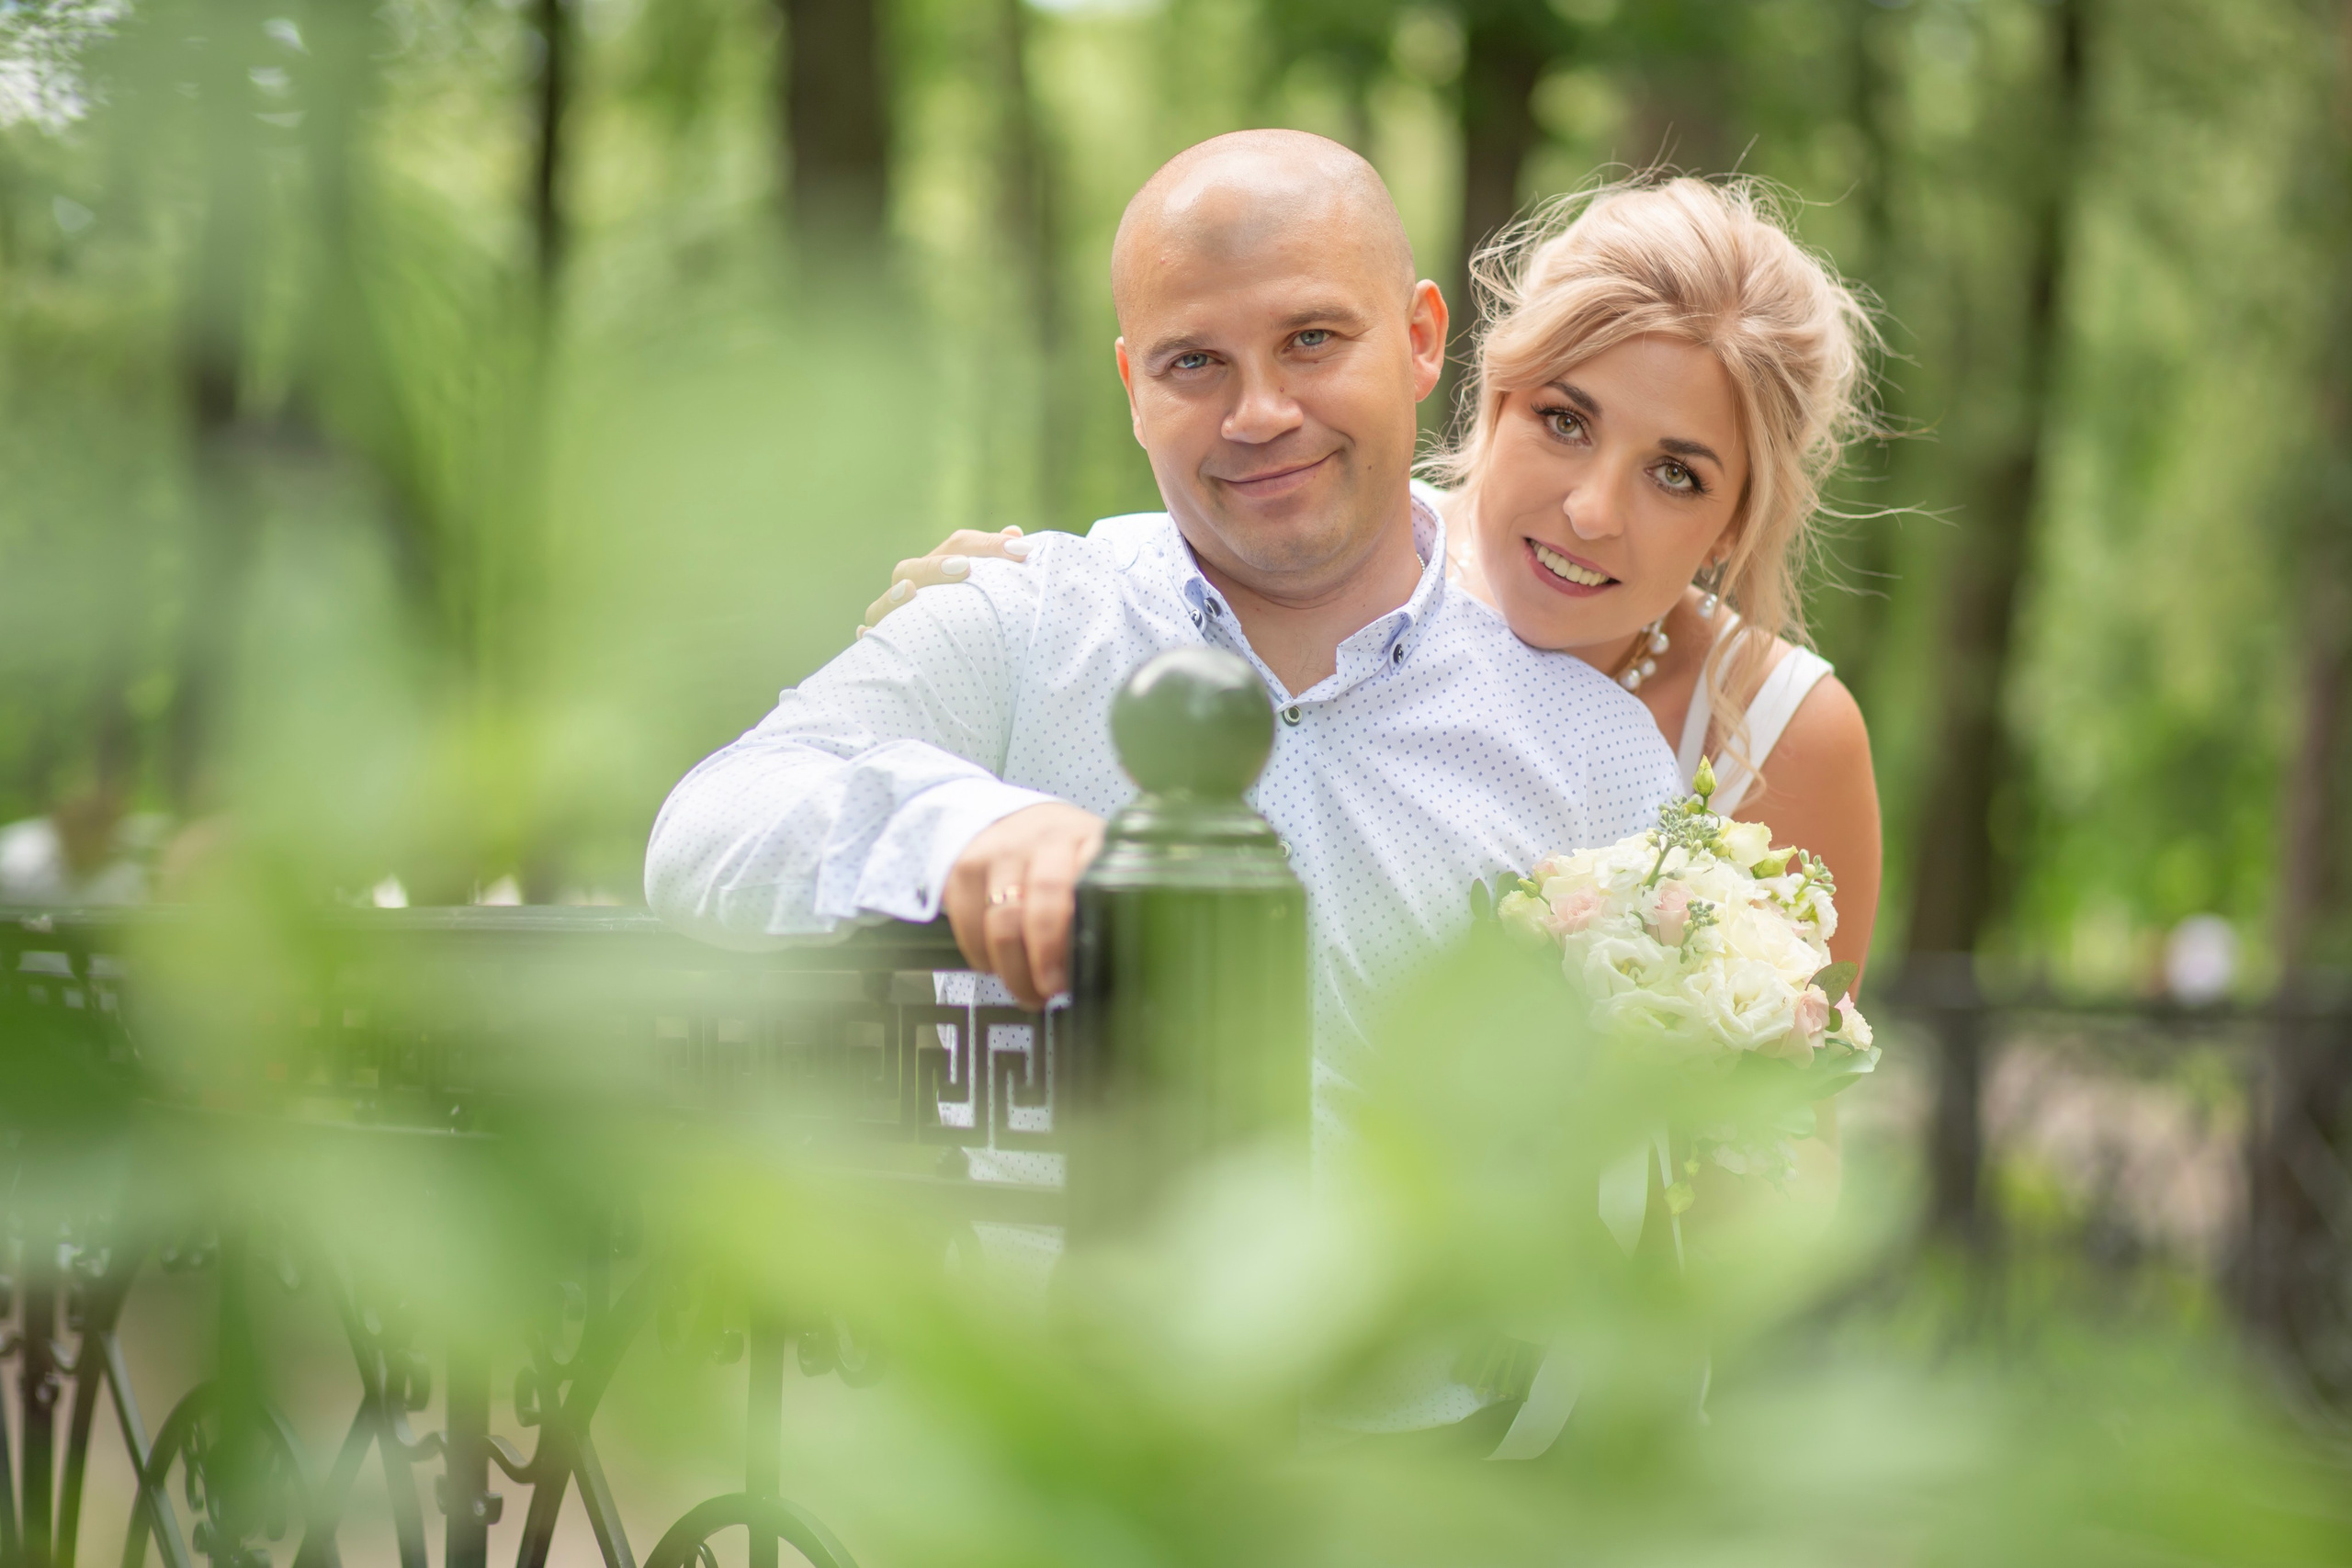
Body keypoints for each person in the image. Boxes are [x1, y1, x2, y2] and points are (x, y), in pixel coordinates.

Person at [645, 128, 1681, 1130]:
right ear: (1133, 391)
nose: (1259, 412)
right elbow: (712, 822)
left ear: (1418, 339)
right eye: (1193, 362)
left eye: (1310, 340)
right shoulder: (1018, 621)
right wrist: (963, 830)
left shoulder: (1592, 751)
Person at [863, 175, 1883, 982]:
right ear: (1492, 394)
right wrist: (983, 625)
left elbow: (1782, 1105)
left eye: (1675, 474)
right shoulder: (1323, 553)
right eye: (1564, 421)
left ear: (1733, 522)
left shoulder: (1784, 729)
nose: (1592, 511)